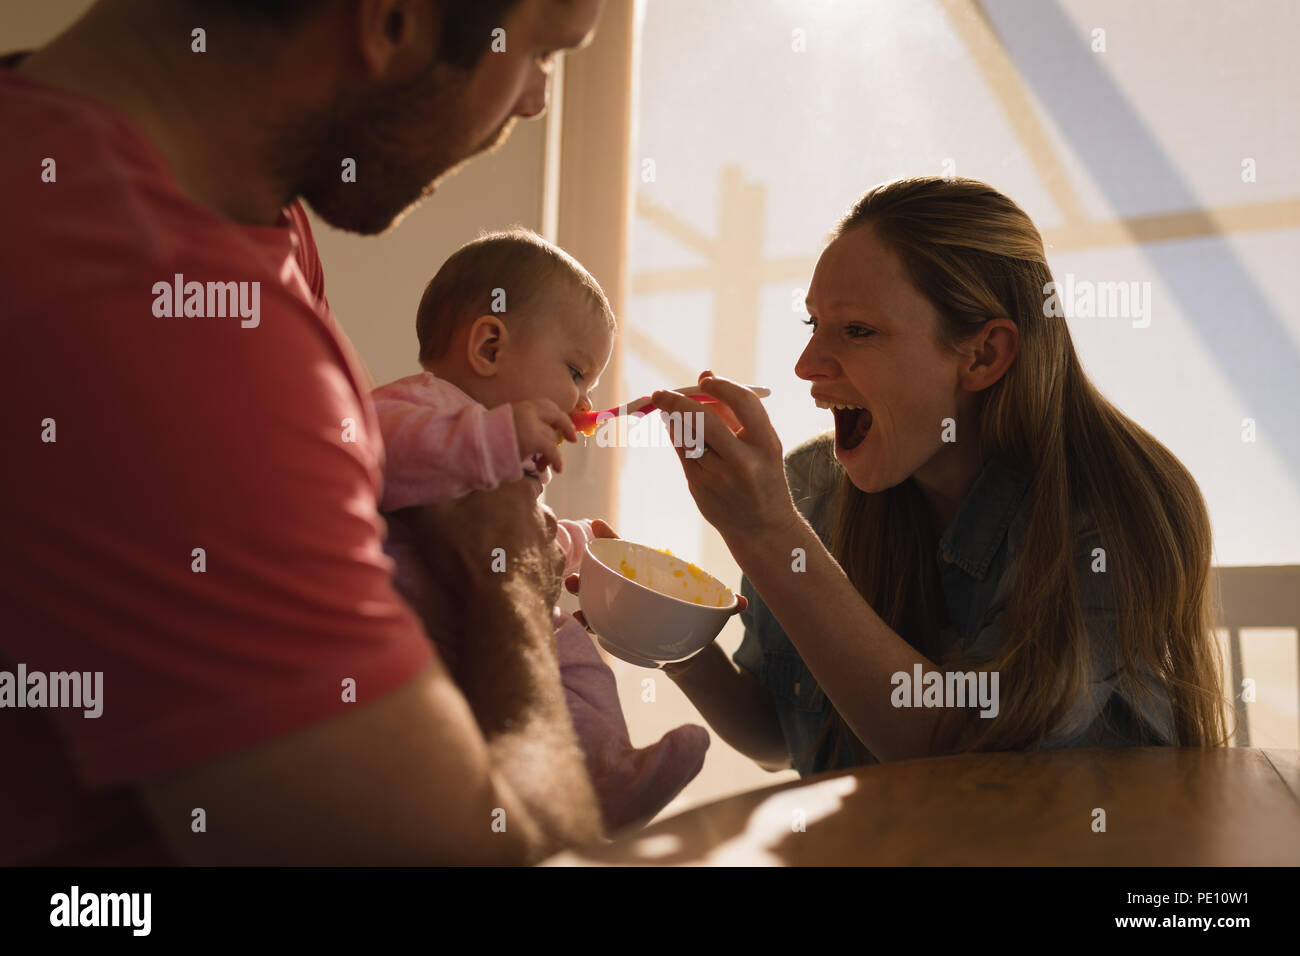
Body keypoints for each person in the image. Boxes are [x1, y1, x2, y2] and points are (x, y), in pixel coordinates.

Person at [0, 0, 608, 865]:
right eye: (541, 52)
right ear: (393, 20)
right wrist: (510, 581)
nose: (535, 101)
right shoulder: (159, 321)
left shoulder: (243, 211)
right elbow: (522, 858)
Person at [647, 176, 1231, 776]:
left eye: (857, 330)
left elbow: (962, 759)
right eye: (812, 325)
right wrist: (669, 638)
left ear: (983, 355)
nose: (806, 366)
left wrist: (769, 534)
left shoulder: (1119, 508)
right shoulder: (812, 486)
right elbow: (775, 736)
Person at [372, 228, 710, 832]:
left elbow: (523, 537)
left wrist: (583, 547)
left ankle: (606, 774)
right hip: (414, 641)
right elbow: (385, 454)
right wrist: (494, 439)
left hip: (486, 622)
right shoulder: (416, 408)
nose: (583, 407)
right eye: (576, 372)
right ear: (490, 346)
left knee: (577, 656)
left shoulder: (505, 446)